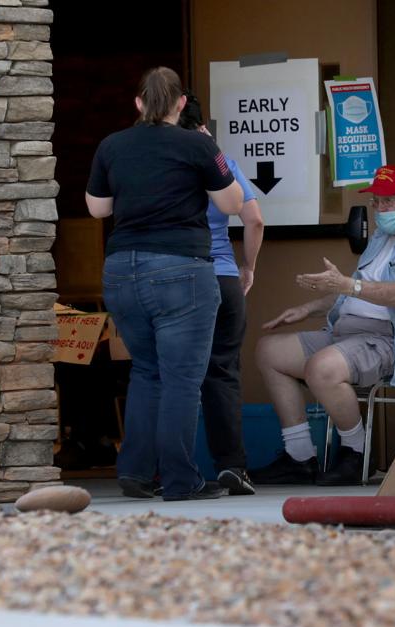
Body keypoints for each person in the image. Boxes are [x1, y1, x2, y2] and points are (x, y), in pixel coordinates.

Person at [85, 67, 244, 501]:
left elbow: (98, 208)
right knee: (181, 380)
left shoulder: (111, 145)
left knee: (147, 372)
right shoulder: (198, 144)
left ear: (138, 103)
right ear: (179, 104)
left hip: (121, 270)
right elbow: (232, 203)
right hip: (181, 270)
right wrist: (212, 149)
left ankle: (135, 473)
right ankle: (180, 481)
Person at [253, 165, 395, 486]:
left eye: (388, 201)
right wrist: (308, 308)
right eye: (376, 202)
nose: (380, 209)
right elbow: (353, 291)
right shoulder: (381, 236)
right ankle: (300, 456)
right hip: (345, 333)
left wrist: (346, 286)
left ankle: (357, 454)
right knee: (269, 351)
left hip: (386, 339)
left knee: (321, 367)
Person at [177, 93, 265, 496]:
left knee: (175, 374)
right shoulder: (222, 162)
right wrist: (248, 267)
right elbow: (254, 220)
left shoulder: (165, 162)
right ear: (203, 124)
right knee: (223, 373)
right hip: (224, 277)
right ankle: (232, 465)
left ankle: (172, 469)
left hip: (179, 277)